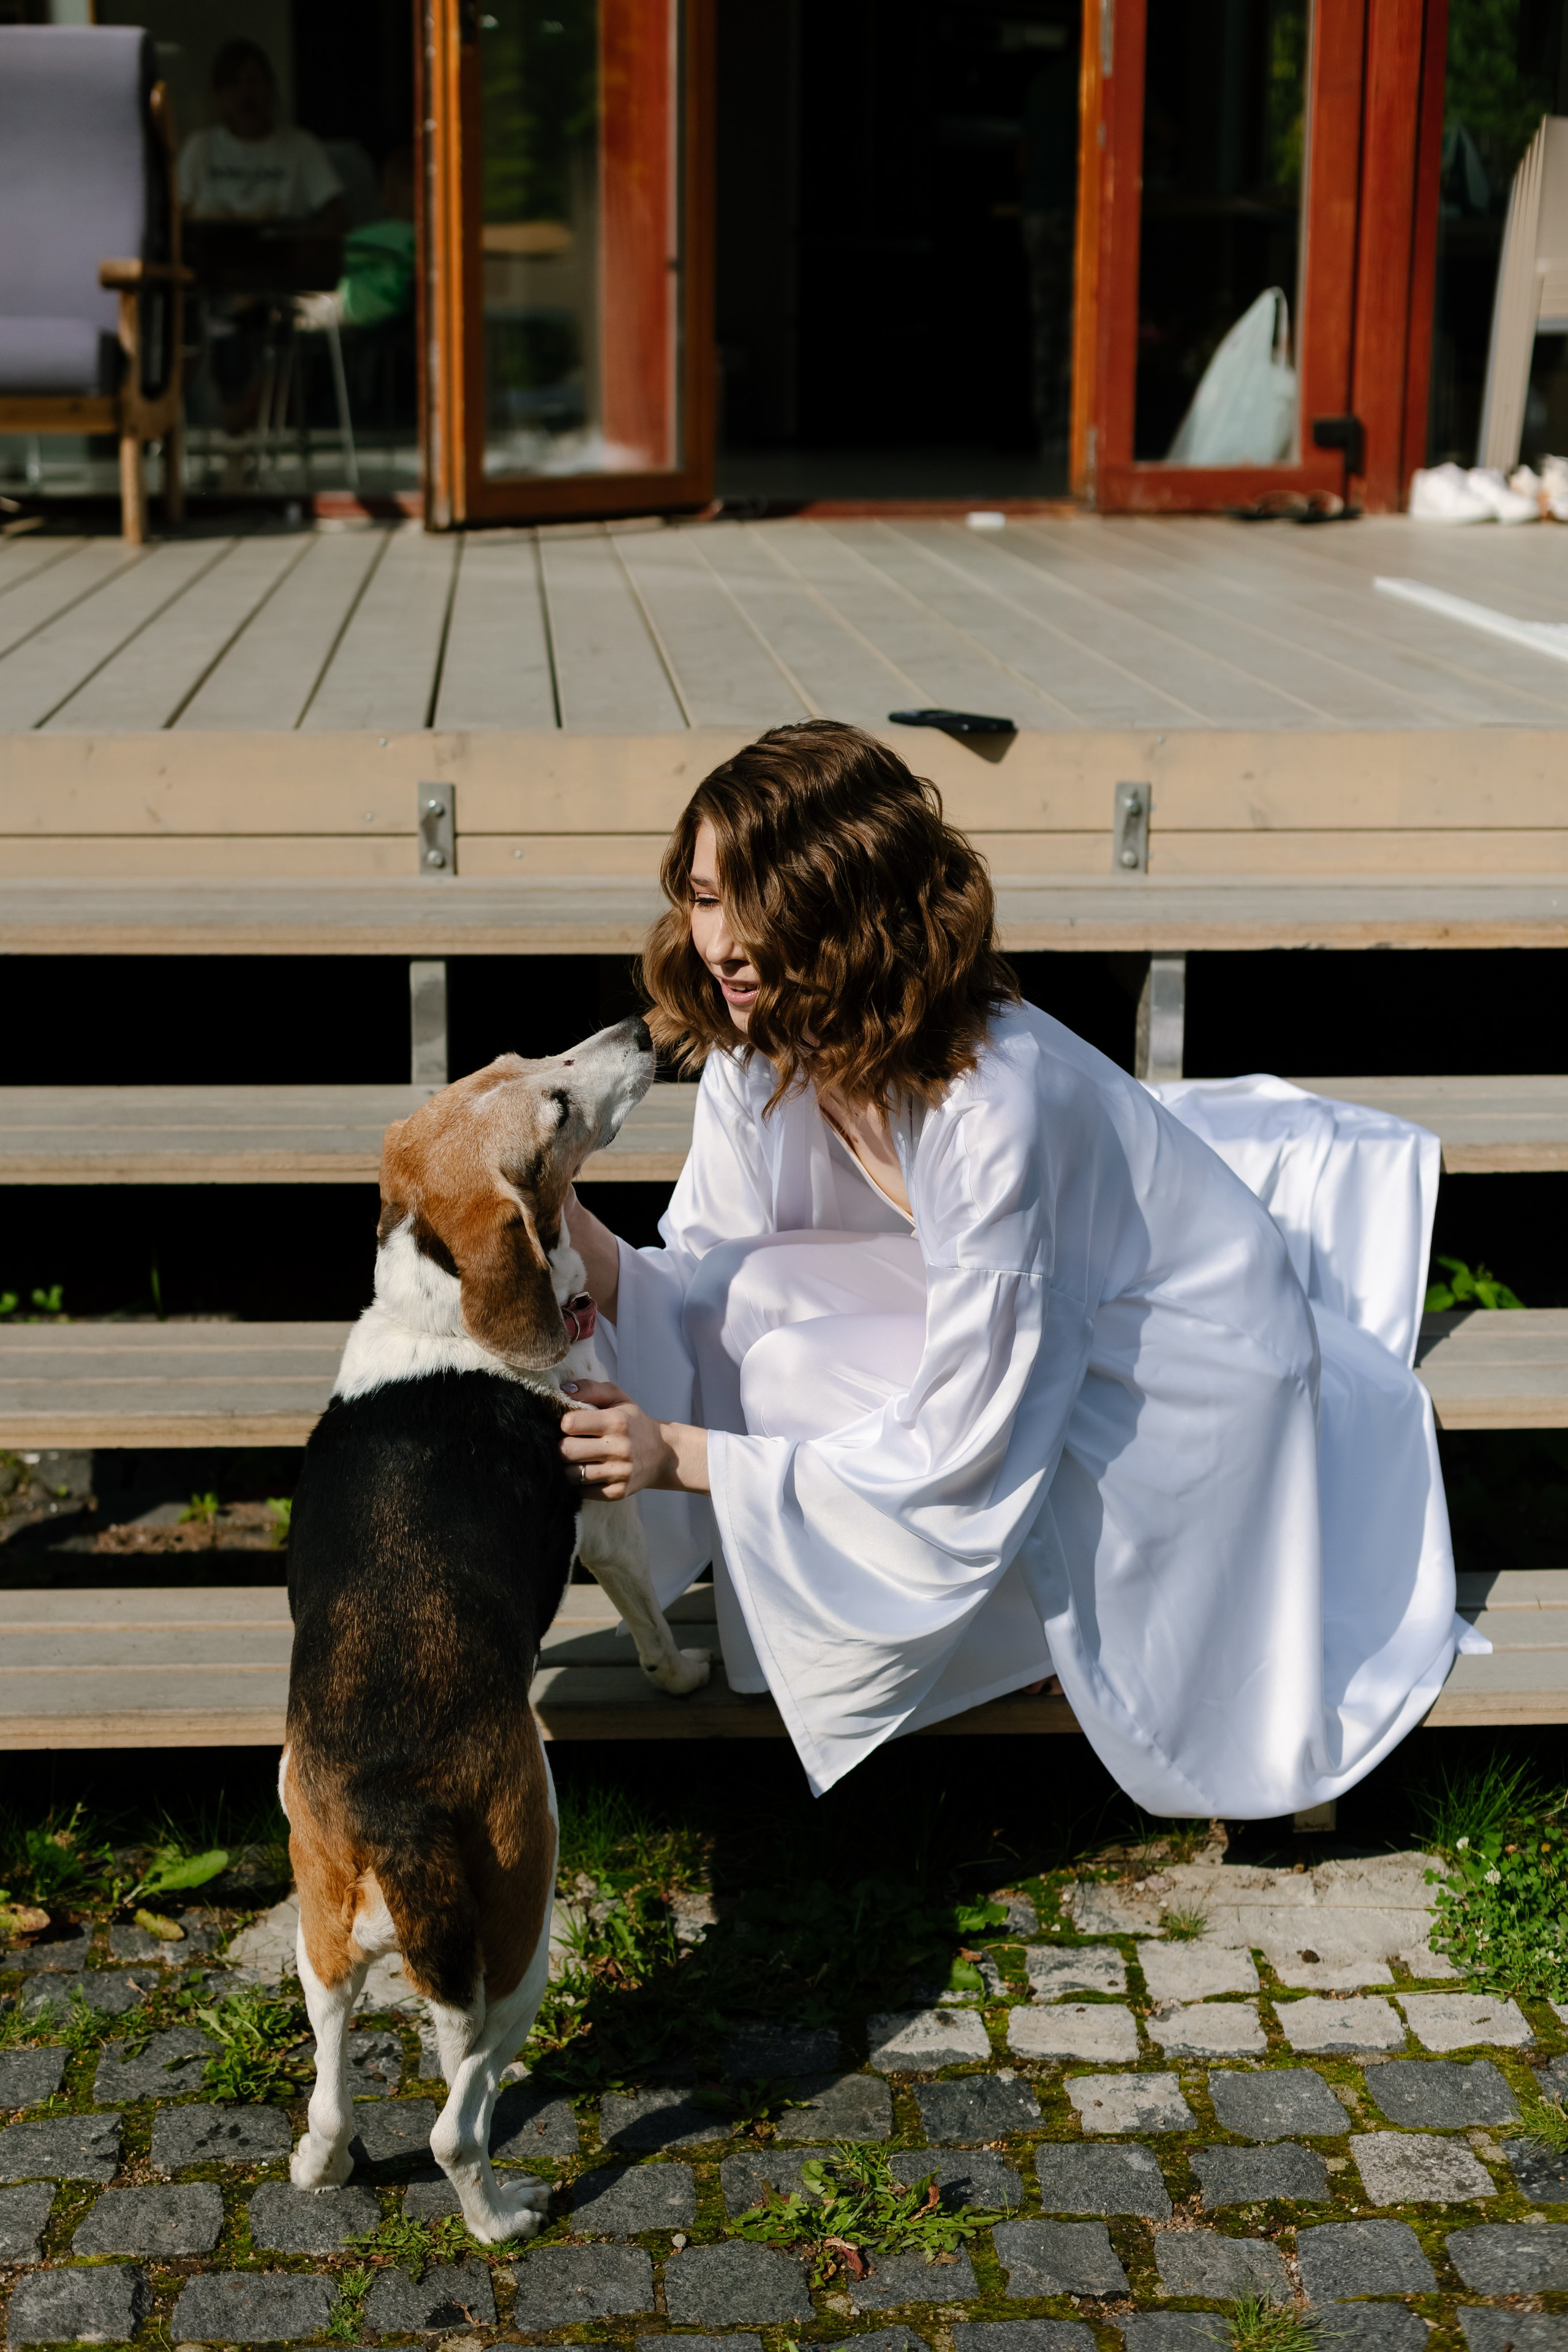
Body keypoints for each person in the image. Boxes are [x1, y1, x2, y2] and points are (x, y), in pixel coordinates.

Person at [557, 722, 1469, 1811]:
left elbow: (963, 1441)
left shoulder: (993, 1103)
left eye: (762, 903)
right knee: (748, 1295)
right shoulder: (768, 1055)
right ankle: (822, 1651)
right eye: (706, 898)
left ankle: (1042, 1626)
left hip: (1186, 1385)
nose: (725, 943)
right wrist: (548, 1210)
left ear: (852, 903)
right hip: (1032, 1329)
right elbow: (703, 1279)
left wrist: (683, 1453)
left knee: (790, 1377)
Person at [178, 40, 345, 228]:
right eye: (234, 83)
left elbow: (335, 216)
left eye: (254, 80)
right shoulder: (200, 146)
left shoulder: (302, 146)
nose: (246, 93)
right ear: (218, 94)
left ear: (271, 86)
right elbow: (179, 216)